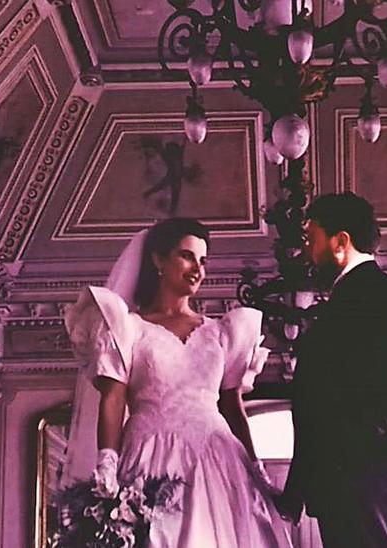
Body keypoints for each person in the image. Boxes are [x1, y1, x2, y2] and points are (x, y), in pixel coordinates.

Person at [63, 217, 291, 547]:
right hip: (150, 454)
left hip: (216, 456)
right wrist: (107, 464)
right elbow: (112, 398)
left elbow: (232, 406)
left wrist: (256, 468)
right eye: (186, 256)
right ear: (158, 259)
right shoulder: (129, 328)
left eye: (203, 260)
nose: (197, 268)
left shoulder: (222, 331)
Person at [278, 192, 387, 547]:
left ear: (341, 242)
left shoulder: (373, 293)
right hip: (347, 477)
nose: (306, 251)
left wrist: (349, 461)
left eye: (311, 239)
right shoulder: (357, 294)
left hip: (359, 475)